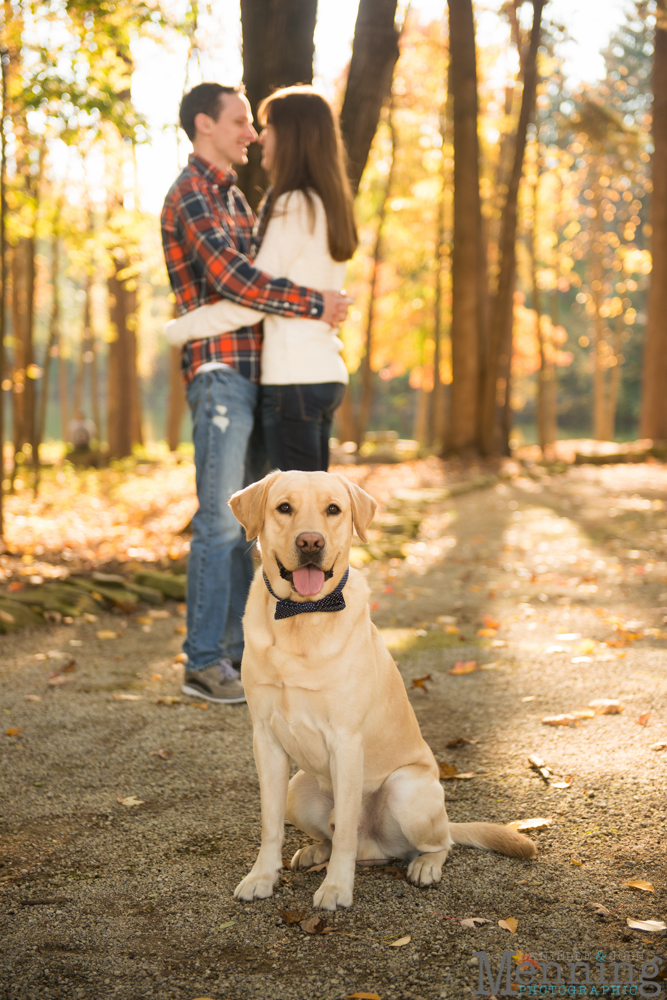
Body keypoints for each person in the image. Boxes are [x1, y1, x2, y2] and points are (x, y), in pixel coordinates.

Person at [161, 82, 349, 705]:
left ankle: (242, 654)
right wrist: (316, 302)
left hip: (259, 375)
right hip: (220, 375)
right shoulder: (190, 195)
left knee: (251, 522)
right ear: (203, 124)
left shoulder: (239, 199)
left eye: (255, 123)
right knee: (218, 520)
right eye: (240, 121)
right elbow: (237, 283)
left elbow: (264, 286)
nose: (250, 133)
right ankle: (205, 661)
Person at [165, 85, 357, 473]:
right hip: (324, 373)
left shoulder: (292, 204)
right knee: (312, 511)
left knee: (299, 521)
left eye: (268, 125)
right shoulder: (326, 201)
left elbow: (249, 297)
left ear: (294, 136)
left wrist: (179, 329)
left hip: (293, 380)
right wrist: (318, 303)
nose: (258, 135)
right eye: (249, 123)